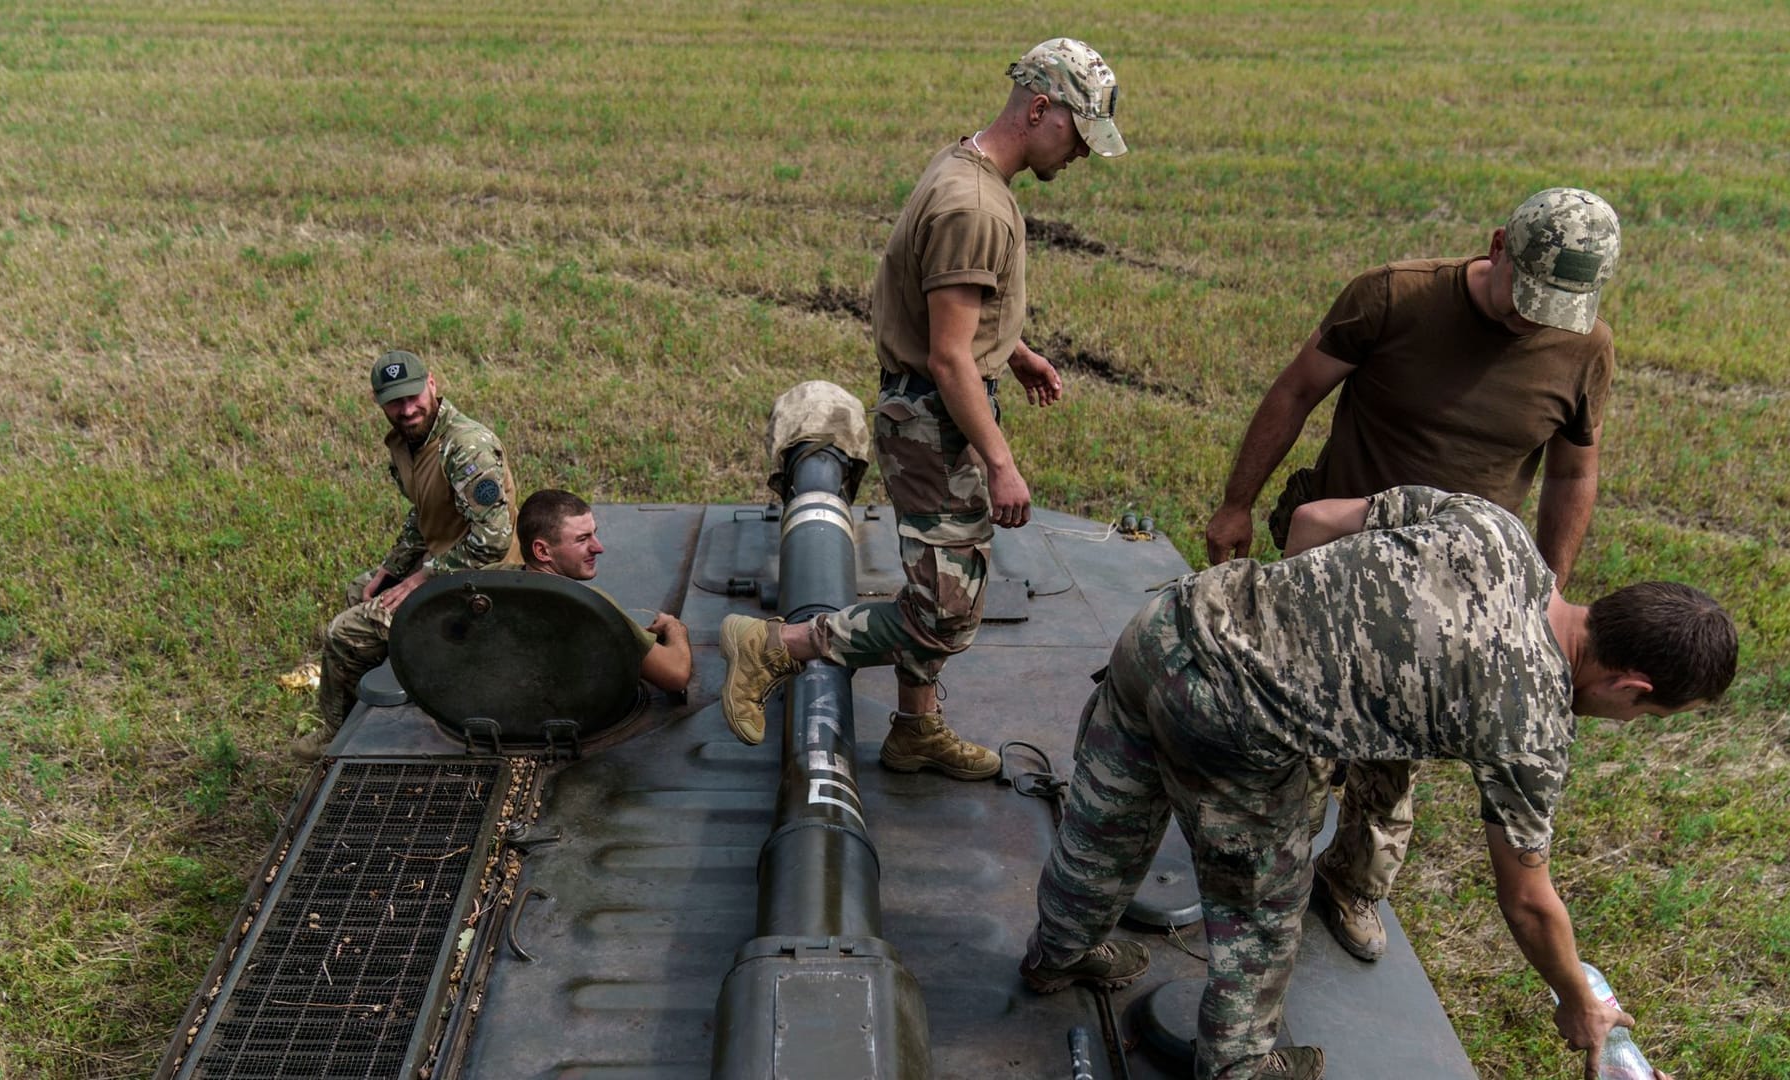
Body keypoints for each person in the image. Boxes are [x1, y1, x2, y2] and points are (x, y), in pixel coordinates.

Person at [1022, 486, 1734, 1080]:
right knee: (1263, 907)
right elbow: (1528, 902)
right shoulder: (1532, 725)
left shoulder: (1497, 532)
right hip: (1230, 722)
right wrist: (1581, 1003)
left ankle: (1058, 951)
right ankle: (1238, 1066)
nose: (1626, 722)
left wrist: (1299, 634)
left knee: (1107, 815)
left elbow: (1312, 522)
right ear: (1628, 683)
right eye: (1648, 714)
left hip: (1171, 624)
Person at [1201, 187, 1623, 961]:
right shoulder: (1395, 296)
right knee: (1292, 730)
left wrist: (1548, 586)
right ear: (1497, 247)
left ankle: (1352, 885)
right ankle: (1255, 871)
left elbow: (1571, 476)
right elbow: (1297, 389)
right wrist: (1237, 502)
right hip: (1335, 556)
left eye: (1555, 309)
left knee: (1395, 753)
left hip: (1457, 594)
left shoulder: (1584, 348)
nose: (1534, 321)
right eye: (1526, 299)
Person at [716, 37, 1127, 779]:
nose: (1081, 157)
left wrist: (1018, 349)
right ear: (1040, 109)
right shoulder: (975, 205)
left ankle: (915, 728)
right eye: (1078, 135)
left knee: (934, 580)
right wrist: (1001, 462)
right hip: (933, 416)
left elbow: (956, 312)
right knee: (943, 610)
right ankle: (777, 646)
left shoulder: (964, 166)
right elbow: (948, 357)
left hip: (937, 403)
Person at [297, 350, 517, 760]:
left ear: (432, 384)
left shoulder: (465, 447)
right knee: (360, 591)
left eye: (414, 395)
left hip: (483, 582)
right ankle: (408, 683)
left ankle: (337, 736)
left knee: (343, 635)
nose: (408, 408)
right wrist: (391, 569)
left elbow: (493, 541)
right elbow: (424, 511)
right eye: (396, 401)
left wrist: (421, 578)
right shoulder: (410, 442)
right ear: (378, 401)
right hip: (447, 567)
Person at [517, 489, 692, 694]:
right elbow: (676, 675)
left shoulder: (490, 581)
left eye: (594, 534)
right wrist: (675, 628)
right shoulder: (590, 608)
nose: (598, 547)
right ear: (542, 551)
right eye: (582, 539)